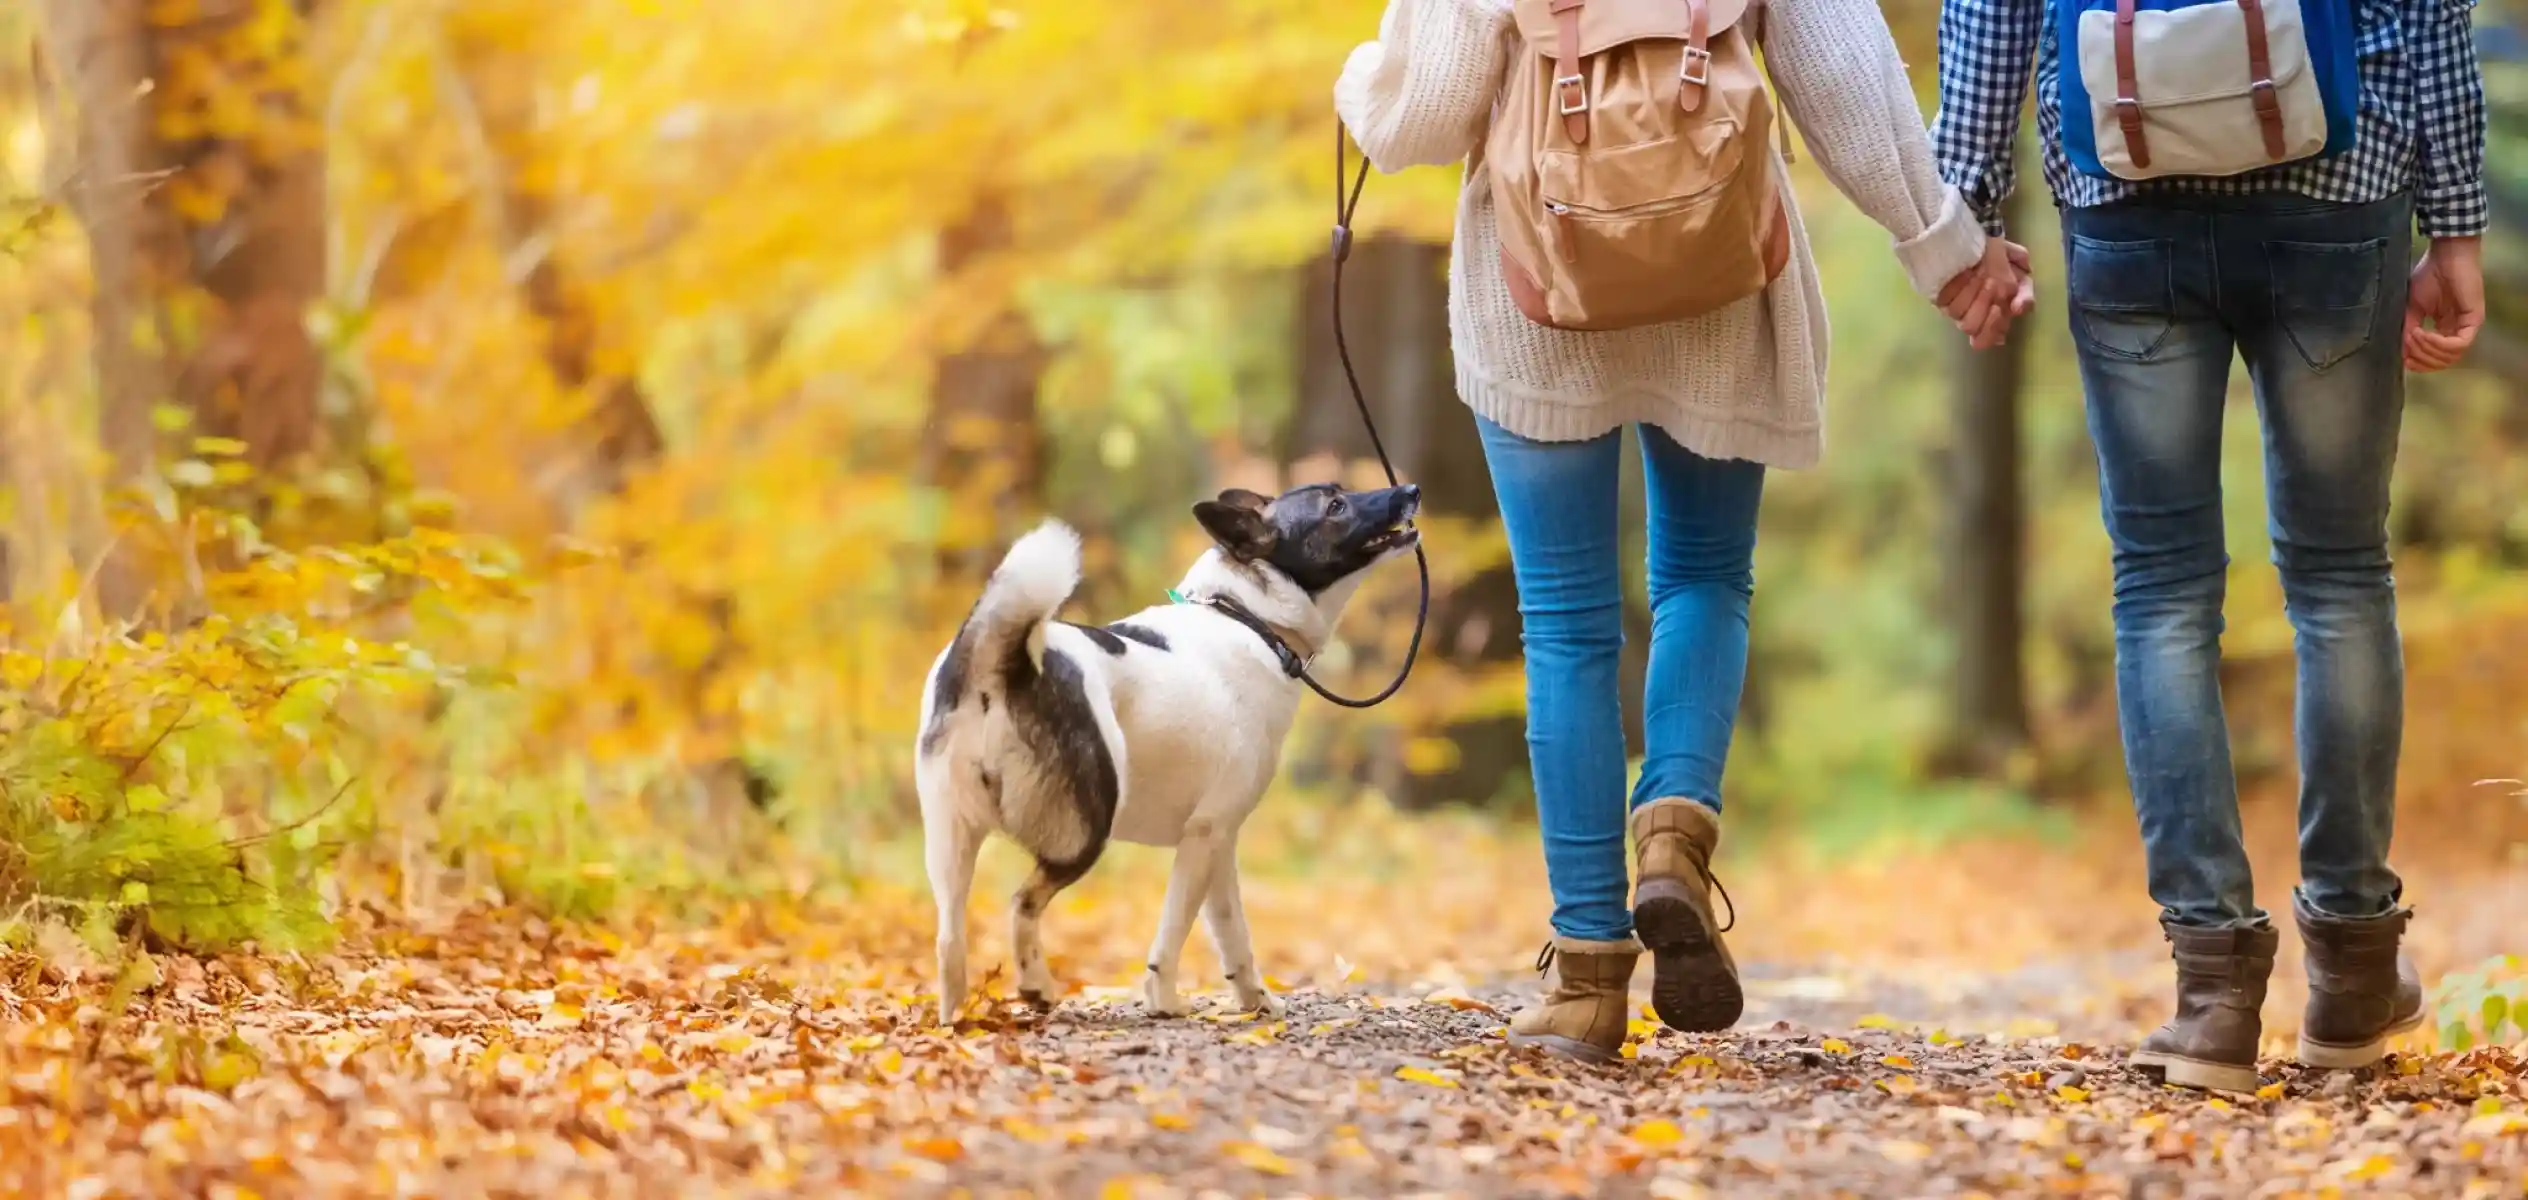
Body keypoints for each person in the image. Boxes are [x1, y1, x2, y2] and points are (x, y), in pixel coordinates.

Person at [1336, 0, 2035, 1061]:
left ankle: (1585, 979)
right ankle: (1672, 828)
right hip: (1720, 271)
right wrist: (1946, 250)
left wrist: (1357, 82)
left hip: (1539, 285)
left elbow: (1414, 122)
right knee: (1703, 577)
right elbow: (1844, 79)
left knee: (1566, 627)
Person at [1932, 0, 2487, 1092]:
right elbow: (2428, 13)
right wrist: (2454, 226)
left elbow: (1987, 14)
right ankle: (2351, 968)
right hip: (2335, 185)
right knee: (2336, 577)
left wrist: (1966, 216)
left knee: (2159, 594)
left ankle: (2212, 995)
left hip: (2124, 196)